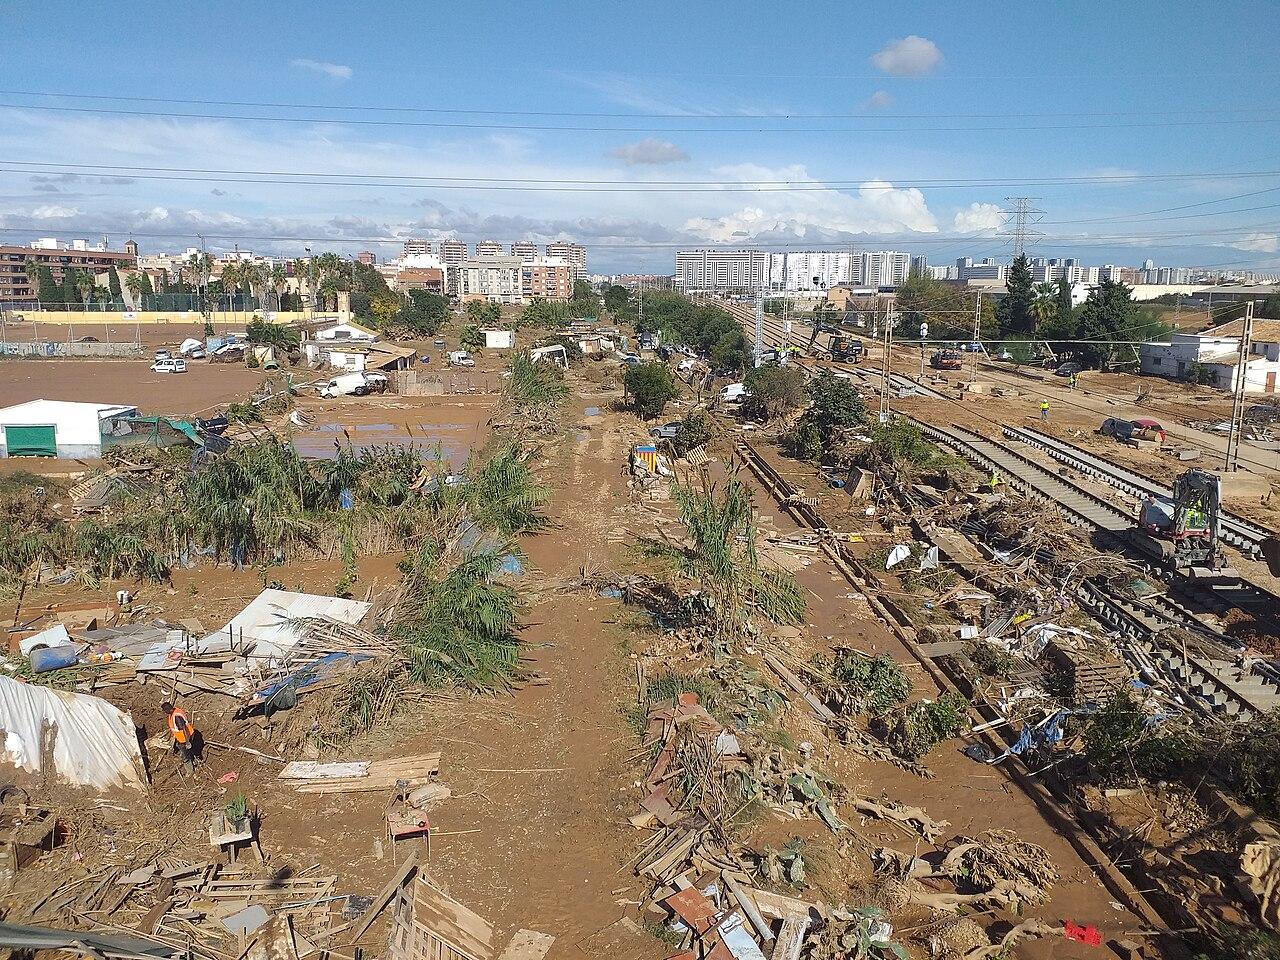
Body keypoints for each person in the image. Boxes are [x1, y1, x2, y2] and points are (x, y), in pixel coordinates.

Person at [163, 700, 201, 770]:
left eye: (165, 710)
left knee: (185, 756)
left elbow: (184, 729)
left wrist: (187, 742)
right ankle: (195, 760)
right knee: (187, 750)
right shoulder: (175, 711)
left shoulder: (176, 717)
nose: (165, 712)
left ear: (167, 709)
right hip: (184, 738)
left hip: (185, 738)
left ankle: (190, 771)